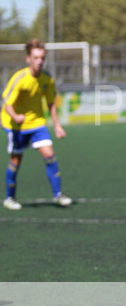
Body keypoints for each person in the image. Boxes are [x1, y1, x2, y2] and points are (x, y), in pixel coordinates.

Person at [2, 39, 72, 210]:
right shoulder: (20, 79)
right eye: (36, 58)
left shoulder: (47, 79)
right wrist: (16, 116)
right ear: (28, 59)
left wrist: (57, 125)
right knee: (16, 161)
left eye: (42, 58)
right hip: (15, 125)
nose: (40, 61)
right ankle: (9, 198)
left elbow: (51, 103)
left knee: (49, 155)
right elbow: (7, 102)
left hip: (37, 123)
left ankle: (58, 195)